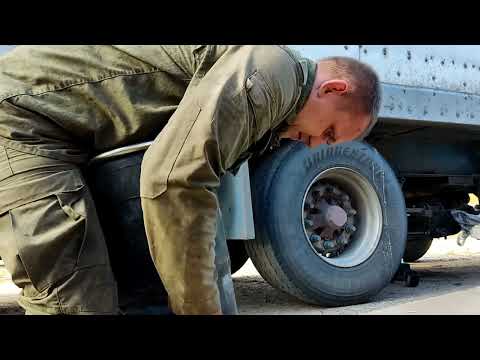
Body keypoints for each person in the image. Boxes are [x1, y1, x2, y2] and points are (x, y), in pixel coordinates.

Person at [0, 45, 380, 315]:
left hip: (66, 130)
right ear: (332, 89)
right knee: (76, 298)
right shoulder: (274, 71)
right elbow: (173, 183)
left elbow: (200, 202)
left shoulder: (271, 101)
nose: (314, 144)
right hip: (21, 121)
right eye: (329, 133)